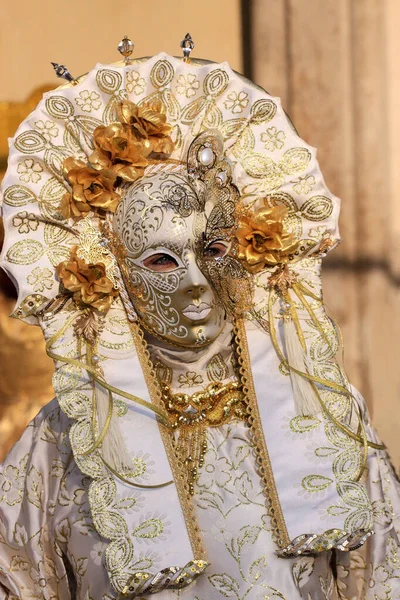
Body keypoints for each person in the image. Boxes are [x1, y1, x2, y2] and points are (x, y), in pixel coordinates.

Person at [0, 43, 399, 600]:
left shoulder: (326, 411)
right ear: (113, 270)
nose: (195, 283)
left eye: (212, 250)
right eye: (162, 260)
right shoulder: (61, 442)